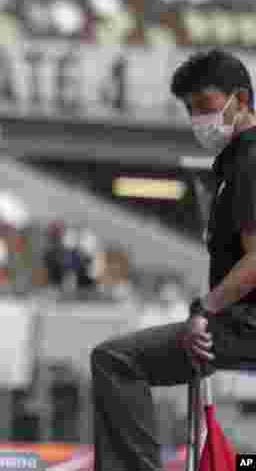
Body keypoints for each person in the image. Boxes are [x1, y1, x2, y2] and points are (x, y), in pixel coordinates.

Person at [91, 49, 256, 471]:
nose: (199, 119)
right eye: (190, 111)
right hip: (241, 320)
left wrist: (207, 309)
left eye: (205, 106)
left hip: (247, 322)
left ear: (240, 99)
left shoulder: (250, 163)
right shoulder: (233, 166)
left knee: (116, 361)